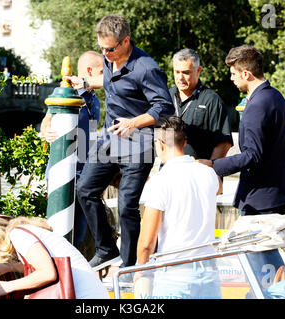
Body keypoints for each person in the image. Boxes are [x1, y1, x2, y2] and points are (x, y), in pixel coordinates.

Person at [64, 14, 174, 269]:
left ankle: (130, 264)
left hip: (138, 143)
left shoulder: (147, 68)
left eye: (110, 49)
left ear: (126, 41)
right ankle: (106, 250)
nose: (105, 53)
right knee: (85, 190)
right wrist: (85, 83)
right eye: (102, 48)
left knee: (126, 205)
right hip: (110, 140)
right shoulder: (109, 55)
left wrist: (132, 122)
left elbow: (164, 107)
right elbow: (110, 81)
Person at [198, 45, 285, 215]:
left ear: (246, 74)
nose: (231, 78)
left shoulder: (257, 104)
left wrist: (213, 165)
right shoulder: (276, 96)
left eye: (233, 73)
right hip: (276, 195)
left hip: (261, 200)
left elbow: (252, 155)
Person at [136, 116, 221, 298]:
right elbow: (218, 187)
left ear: (160, 144)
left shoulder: (160, 181)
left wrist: (140, 273)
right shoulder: (208, 174)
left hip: (174, 274)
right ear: (185, 142)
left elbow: (147, 243)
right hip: (209, 272)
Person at [40, 51, 103, 249]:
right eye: (101, 71)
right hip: (61, 172)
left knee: (79, 233)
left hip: (84, 174)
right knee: (57, 230)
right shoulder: (66, 95)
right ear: (90, 71)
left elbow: (90, 113)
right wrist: (46, 132)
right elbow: (46, 122)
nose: (104, 76)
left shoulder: (93, 100)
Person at [0, 216, 109, 299]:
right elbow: (40, 265)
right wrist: (8, 267)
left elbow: (48, 273)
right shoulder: (21, 233)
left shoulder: (18, 236)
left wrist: (6, 286)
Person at [169, 48, 233, 161]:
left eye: (186, 72)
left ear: (198, 71)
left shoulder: (212, 100)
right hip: (170, 170)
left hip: (199, 174)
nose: (180, 77)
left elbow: (224, 143)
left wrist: (208, 168)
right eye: (177, 72)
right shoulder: (166, 96)